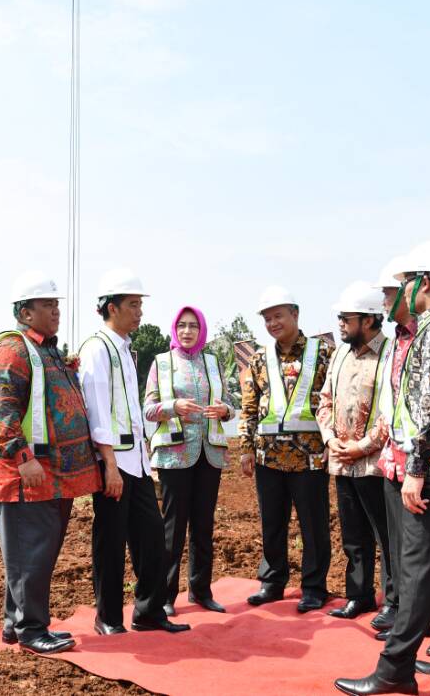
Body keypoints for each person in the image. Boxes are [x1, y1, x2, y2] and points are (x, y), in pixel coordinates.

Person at [336, 241, 430, 695]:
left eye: (403, 284)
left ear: (422, 282)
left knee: (417, 568)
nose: (399, 293)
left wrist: (415, 469)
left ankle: (394, 670)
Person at [0, 271, 101, 654]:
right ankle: (32, 630)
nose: (56, 311)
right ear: (25, 312)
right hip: (26, 472)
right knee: (29, 553)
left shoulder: (46, 349)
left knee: (36, 552)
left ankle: (17, 625)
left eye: (57, 304)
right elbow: (3, 407)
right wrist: (22, 456)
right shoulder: (12, 351)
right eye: (48, 305)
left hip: (51, 474)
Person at [78, 269, 190, 635]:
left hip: (136, 462)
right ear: (112, 307)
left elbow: (128, 409)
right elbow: (96, 411)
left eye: (140, 305)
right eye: (133, 305)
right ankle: (108, 618)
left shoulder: (125, 350)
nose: (140, 312)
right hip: (114, 462)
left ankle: (148, 611)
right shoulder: (98, 348)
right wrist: (109, 464)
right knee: (110, 543)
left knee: (152, 537)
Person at [367, 257, 430, 653]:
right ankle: (409, 617)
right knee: (399, 546)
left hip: (424, 458)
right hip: (394, 456)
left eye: (387, 292)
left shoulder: (429, 334)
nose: (383, 300)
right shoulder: (397, 337)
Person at [239, 286, 333, 613]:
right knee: (272, 523)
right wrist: (246, 447)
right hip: (269, 458)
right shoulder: (258, 359)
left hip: (310, 456)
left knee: (314, 525)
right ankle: (272, 581)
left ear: (295, 313)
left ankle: (313, 587)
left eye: (278, 315)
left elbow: (333, 401)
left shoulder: (324, 353)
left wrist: (332, 443)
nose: (272, 323)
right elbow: (249, 405)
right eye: (267, 318)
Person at [144, 305, 234, 616]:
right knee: (173, 528)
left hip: (209, 454)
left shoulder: (212, 363)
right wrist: (173, 406)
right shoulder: (161, 363)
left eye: (193, 326)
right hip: (174, 454)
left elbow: (228, 403)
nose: (187, 331)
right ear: (174, 329)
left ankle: (200, 590)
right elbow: (149, 409)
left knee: (203, 526)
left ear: (202, 330)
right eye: (181, 325)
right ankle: (166, 595)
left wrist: (225, 411)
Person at [316, 281, 394, 621]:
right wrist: (331, 440)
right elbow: (324, 402)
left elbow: (391, 412)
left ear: (369, 320)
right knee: (353, 534)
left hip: (374, 464)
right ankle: (359, 596)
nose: (341, 324)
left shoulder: (390, 354)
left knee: (386, 537)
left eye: (346, 318)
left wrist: (363, 447)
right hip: (342, 462)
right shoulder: (339, 354)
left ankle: (394, 602)